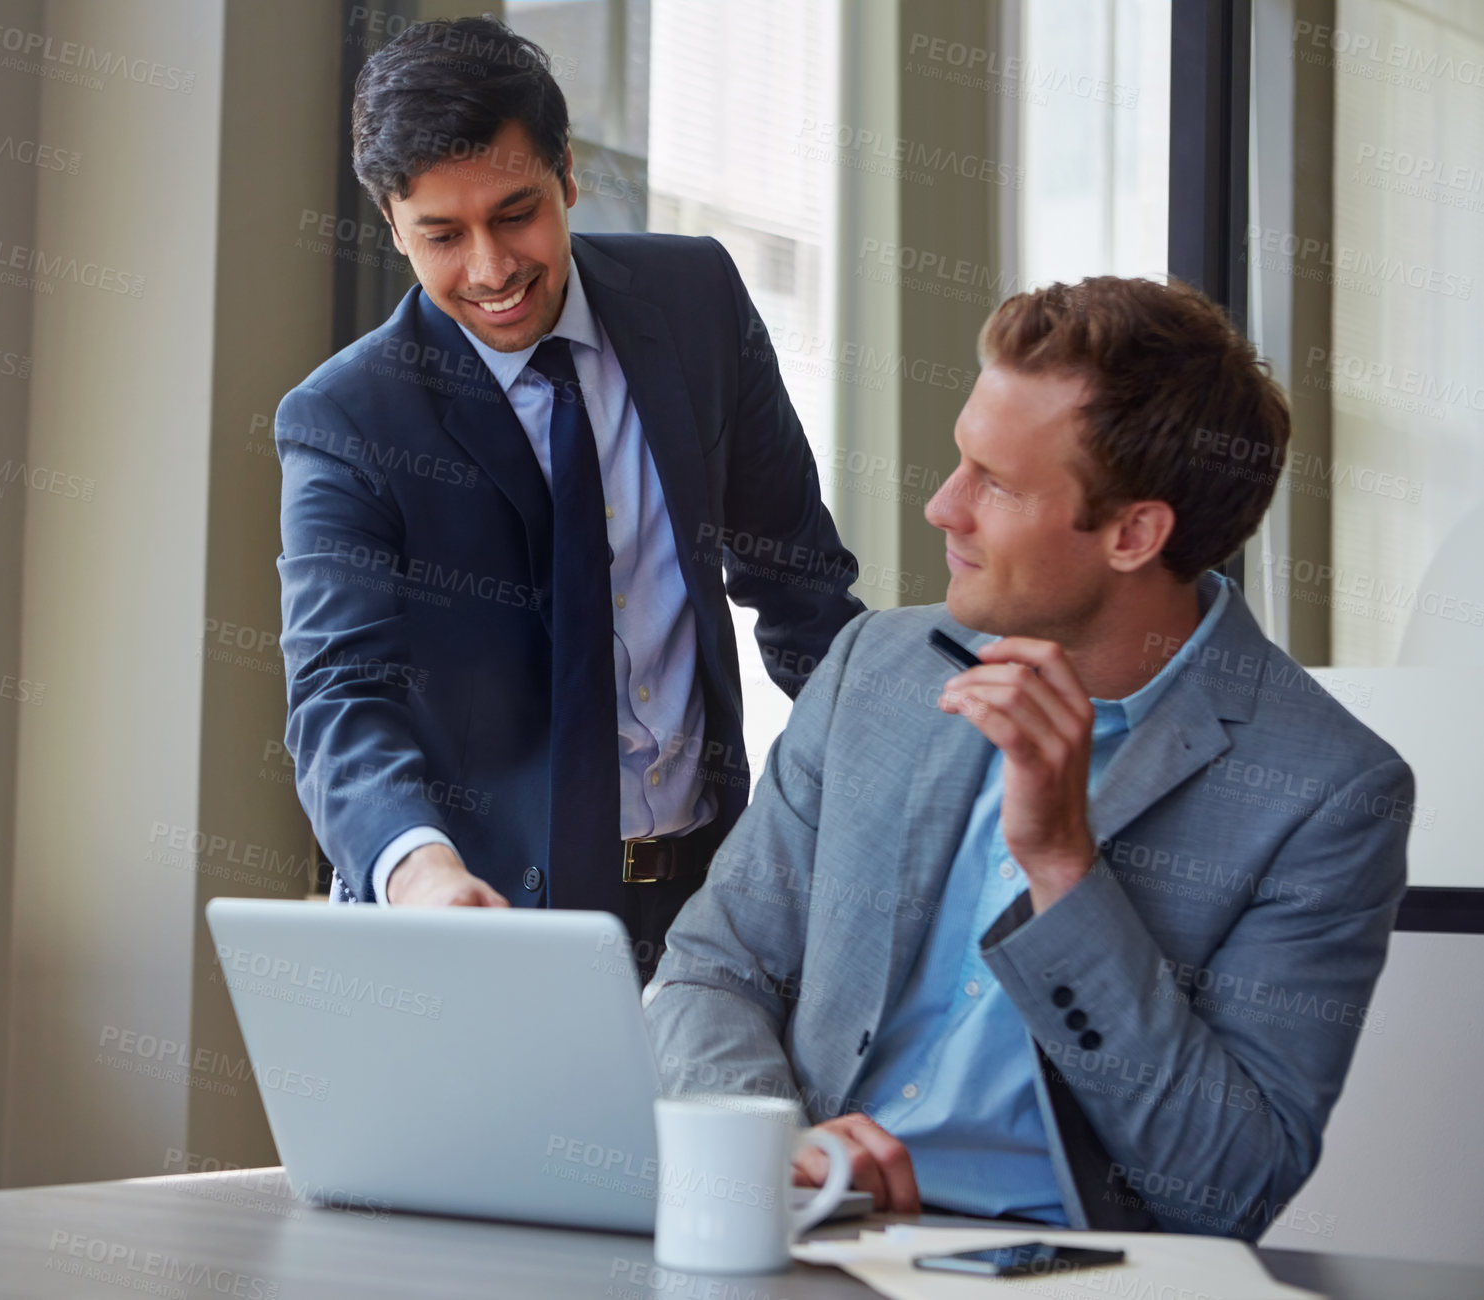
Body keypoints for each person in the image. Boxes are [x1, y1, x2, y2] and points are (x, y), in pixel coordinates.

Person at [642, 276, 1413, 1238]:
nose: (942, 507)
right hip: (803, 1234)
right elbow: (712, 967)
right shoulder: (873, 670)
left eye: (995, 483)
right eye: (960, 462)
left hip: (1064, 1267)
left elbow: (1231, 1185)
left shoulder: (1326, 793)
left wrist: (1063, 869)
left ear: (1134, 533)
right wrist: (768, 1142)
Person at [275, 16, 863, 975]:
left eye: (516, 213)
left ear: (567, 174)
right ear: (391, 223)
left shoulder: (697, 302)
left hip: (709, 897)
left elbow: (798, 583)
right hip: (482, 912)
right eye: (441, 235)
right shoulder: (347, 419)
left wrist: (902, 784)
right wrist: (419, 869)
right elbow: (342, 693)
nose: (491, 268)